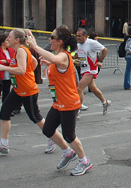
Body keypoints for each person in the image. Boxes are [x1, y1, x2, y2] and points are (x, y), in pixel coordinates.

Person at [26, 27, 93, 176]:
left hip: (69, 103)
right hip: (58, 102)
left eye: (52, 37)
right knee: (48, 130)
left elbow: (56, 60)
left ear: (60, 41)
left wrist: (35, 46)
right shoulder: (56, 56)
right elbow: (53, 62)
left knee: (70, 135)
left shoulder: (63, 56)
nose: (50, 40)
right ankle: (68, 152)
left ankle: (84, 161)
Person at [0, 29, 65, 156]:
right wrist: (28, 73)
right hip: (18, 89)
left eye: (10, 37)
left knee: (36, 118)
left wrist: (2, 68)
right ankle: (3, 144)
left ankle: (52, 138)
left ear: (17, 40)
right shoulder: (18, 51)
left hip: (27, 90)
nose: (7, 39)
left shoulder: (22, 51)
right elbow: (33, 62)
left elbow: (22, 70)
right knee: (4, 112)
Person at [75, 28, 111, 114]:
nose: (77, 37)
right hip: (83, 69)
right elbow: (76, 55)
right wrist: (74, 60)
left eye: (79, 36)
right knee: (93, 88)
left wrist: (100, 61)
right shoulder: (78, 45)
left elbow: (105, 50)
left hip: (91, 69)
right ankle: (105, 102)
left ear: (85, 36)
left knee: (79, 88)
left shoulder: (91, 43)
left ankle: (76, 110)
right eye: (76, 35)